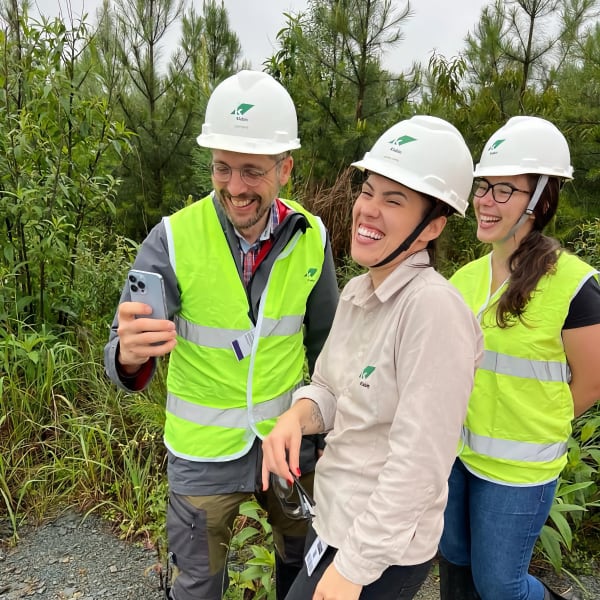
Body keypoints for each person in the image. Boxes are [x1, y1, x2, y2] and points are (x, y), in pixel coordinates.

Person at [104, 70, 339, 600]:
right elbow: (123, 355)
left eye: (252, 171)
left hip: (287, 447)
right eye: (223, 168)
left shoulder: (312, 237)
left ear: (285, 168)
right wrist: (126, 355)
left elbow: (328, 348)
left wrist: (322, 437)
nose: (235, 187)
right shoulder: (172, 239)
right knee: (197, 586)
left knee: (304, 571)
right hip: (202, 455)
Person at [261, 115, 484, 600]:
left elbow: (420, 465)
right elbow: (329, 387)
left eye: (394, 199)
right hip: (334, 522)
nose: (369, 210)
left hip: (378, 550)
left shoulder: (432, 311)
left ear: (433, 227)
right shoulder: (359, 292)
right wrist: (297, 417)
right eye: (368, 190)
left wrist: (355, 568)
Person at [438, 116, 600, 600]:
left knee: (501, 585)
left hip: (520, 471)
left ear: (540, 199)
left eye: (503, 190)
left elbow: (591, 382)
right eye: (482, 187)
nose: (485, 201)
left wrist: (533, 425)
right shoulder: (462, 281)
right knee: (456, 564)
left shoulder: (575, 286)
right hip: (456, 457)